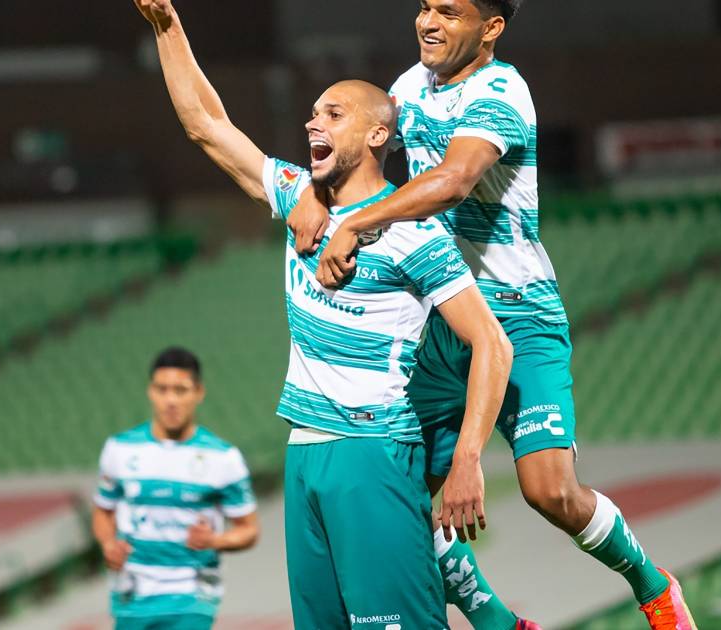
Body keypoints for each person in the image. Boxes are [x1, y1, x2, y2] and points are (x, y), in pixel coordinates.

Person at [287, 1, 699, 628]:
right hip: (440, 323)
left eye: (449, 11)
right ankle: (500, 623)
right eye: (424, 6)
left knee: (549, 490)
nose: (428, 21)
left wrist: (355, 223)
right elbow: (357, 150)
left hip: (517, 315)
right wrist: (316, 195)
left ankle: (653, 586)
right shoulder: (407, 87)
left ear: (491, 28)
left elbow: (454, 179)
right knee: (401, 498)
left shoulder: (502, 91)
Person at [132, 0, 519, 627]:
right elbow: (206, 124)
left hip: (373, 451)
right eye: (314, 113)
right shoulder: (298, 198)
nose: (315, 121)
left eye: (334, 114)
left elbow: (492, 345)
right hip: (305, 454)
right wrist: (167, 27)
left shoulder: (410, 232)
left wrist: (469, 458)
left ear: (376, 136)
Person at [91, 347, 260, 630]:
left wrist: (215, 541)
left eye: (181, 390)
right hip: (132, 595)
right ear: (150, 391)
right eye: (162, 389)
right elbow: (102, 511)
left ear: (199, 392)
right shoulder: (119, 449)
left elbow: (249, 529)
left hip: (192, 596)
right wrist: (108, 544)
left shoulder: (223, 458)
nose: (170, 400)